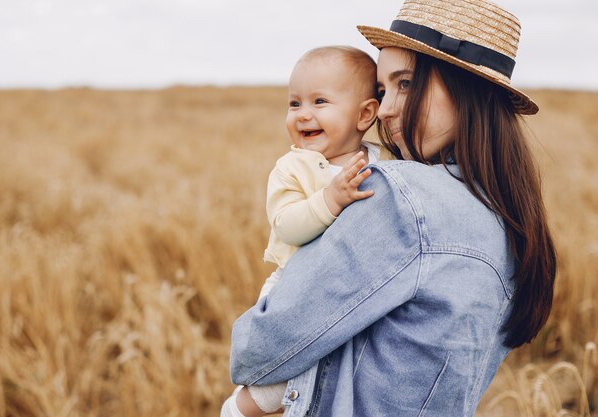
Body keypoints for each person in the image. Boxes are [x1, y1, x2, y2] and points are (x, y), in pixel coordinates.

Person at [228, 0, 557, 416]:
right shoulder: (509, 218)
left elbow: (257, 350)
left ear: (465, 87)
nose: (383, 110)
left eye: (406, 83)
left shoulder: (403, 197)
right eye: (382, 90)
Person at [221, 46, 384, 417]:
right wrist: (329, 199)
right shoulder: (292, 169)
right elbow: (287, 224)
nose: (303, 114)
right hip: (293, 290)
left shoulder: (380, 162)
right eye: (294, 103)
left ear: (364, 114)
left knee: (327, 376)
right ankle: (236, 410)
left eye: (320, 101)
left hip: (350, 290)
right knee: (276, 380)